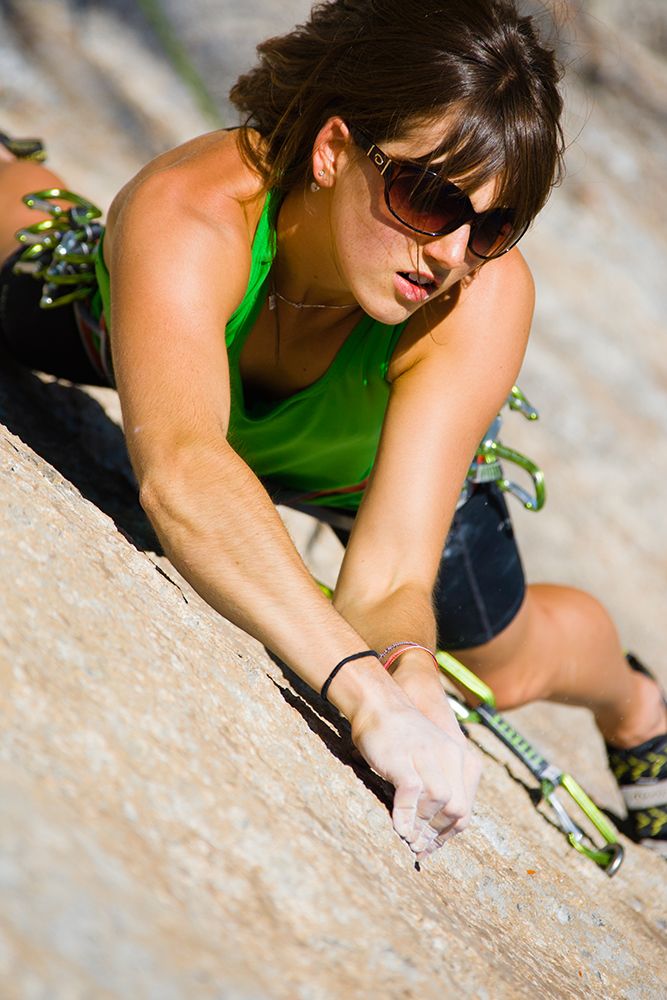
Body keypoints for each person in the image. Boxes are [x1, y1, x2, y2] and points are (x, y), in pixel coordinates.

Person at [0, 0, 665, 859]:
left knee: (497, 664)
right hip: (158, 356)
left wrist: (405, 667)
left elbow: (388, 575)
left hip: (362, 464)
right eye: (426, 198)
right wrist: (359, 687)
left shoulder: (478, 297)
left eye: (491, 227)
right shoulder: (193, 212)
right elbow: (183, 469)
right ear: (331, 150)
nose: (450, 255)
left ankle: (633, 704)